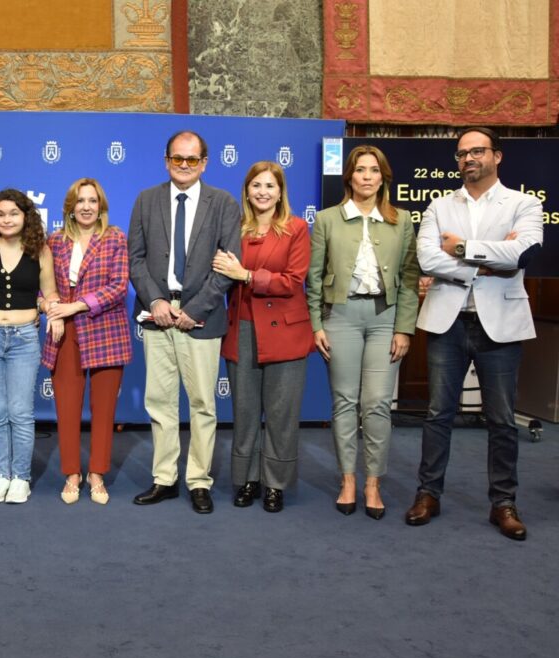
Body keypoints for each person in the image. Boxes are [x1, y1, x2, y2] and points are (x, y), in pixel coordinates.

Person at [405, 126, 543, 541]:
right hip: (448, 322)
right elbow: (427, 256)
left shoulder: (524, 204)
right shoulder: (438, 206)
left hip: (499, 325)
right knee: (437, 415)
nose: (469, 158)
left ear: (496, 156)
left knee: (501, 419)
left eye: (477, 151)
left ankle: (503, 503)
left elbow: (522, 252)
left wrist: (462, 248)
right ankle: (429, 494)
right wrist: (489, 259)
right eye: (462, 153)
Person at [128, 130, 241, 514]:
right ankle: (165, 478)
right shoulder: (146, 200)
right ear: (166, 160)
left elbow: (228, 265)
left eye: (192, 159)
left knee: (202, 404)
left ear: (204, 163)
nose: (184, 165)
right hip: (156, 316)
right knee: (159, 402)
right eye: (178, 158)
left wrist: (195, 309)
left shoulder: (224, 203)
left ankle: (198, 480)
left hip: (201, 319)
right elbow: (136, 259)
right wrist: (155, 300)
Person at [307, 145, 419, 519]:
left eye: (374, 170)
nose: (367, 176)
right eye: (360, 170)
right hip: (340, 316)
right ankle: (349, 480)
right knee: (344, 402)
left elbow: (408, 277)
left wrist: (404, 327)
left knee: (376, 403)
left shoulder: (401, 220)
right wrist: (316, 325)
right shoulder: (326, 219)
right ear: (349, 177)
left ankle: (373, 482)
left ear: (383, 176)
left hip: (385, 317)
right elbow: (314, 278)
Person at [211, 161, 313, 513]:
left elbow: (293, 280)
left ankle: (275, 484)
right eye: (256, 185)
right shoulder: (234, 228)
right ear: (247, 190)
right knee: (245, 411)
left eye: (270, 186)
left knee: (282, 415)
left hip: (285, 332)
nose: (262, 192)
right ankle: (248, 480)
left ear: (281, 191)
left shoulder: (296, 228)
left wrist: (248, 276)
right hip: (241, 328)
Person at [0, 189, 62, 503]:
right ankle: (2, 476)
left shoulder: (40, 251)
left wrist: (53, 312)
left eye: (14, 213)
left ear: (26, 217)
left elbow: (50, 294)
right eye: (1, 214)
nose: (7, 219)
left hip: (24, 340)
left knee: (20, 412)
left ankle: (21, 478)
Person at [42, 178, 131, 505]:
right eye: (80, 201)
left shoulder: (115, 238)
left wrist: (76, 305)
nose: (86, 207)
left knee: (104, 410)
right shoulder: (55, 241)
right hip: (64, 334)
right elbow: (44, 286)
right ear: (70, 207)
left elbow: (119, 286)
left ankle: (96, 474)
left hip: (105, 332)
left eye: (92, 201)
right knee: (66, 410)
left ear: (101, 205)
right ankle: (72, 474)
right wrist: (49, 306)